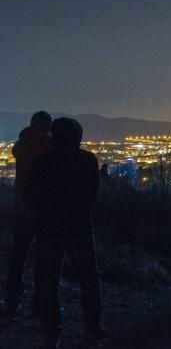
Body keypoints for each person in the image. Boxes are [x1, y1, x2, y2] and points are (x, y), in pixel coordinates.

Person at [24, 117, 105, 347]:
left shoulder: (41, 162)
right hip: (78, 227)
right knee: (89, 278)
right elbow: (92, 193)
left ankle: (51, 331)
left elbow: (29, 194)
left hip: (48, 229)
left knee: (49, 282)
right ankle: (92, 326)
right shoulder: (86, 160)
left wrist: (41, 214)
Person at [4, 111, 51, 317]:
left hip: (21, 207)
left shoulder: (21, 147)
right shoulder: (46, 150)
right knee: (43, 258)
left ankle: (13, 301)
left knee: (18, 257)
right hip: (41, 210)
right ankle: (39, 304)